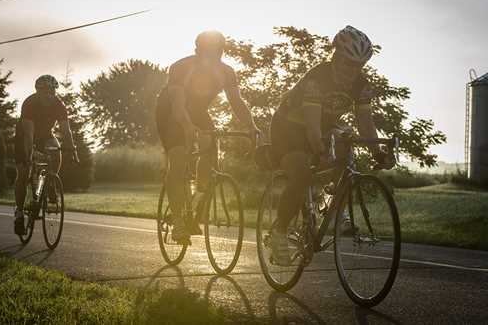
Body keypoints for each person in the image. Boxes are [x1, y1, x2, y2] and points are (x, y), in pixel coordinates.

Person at [269, 25, 395, 265]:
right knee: (302, 174)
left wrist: (378, 150)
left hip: (322, 125)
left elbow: (366, 124)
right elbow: (313, 127)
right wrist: (319, 148)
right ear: (336, 56)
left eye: (360, 65)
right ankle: (279, 232)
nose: (354, 70)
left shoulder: (361, 84)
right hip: (289, 127)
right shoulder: (318, 78)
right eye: (349, 63)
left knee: (347, 145)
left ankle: (333, 205)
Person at [156, 30, 261, 244]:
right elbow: (177, 105)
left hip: (198, 112)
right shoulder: (181, 67)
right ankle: (177, 222)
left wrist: (251, 126)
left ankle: (195, 202)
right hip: (170, 114)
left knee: (211, 151)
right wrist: (187, 127)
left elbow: (237, 102)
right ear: (198, 51)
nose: (213, 57)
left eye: (218, 52)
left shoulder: (227, 72)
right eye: (208, 52)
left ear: (222, 52)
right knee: (177, 162)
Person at [13, 74, 78, 235]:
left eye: (53, 91)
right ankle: (19, 213)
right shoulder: (30, 103)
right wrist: (28, 156)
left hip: (45, 135)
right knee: (23, 173)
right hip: (25, 136)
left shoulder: (58, 104)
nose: (50, 95)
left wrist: (71, 149)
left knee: (55, 150)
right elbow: (28, 135)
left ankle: (49, 182)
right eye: (46, 92)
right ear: (38, 91)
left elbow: (66, 130)